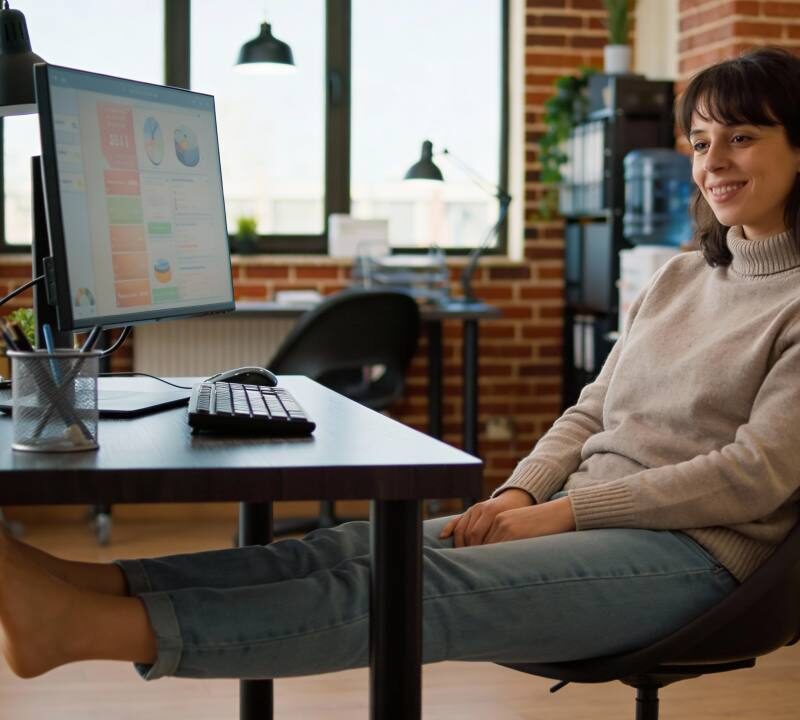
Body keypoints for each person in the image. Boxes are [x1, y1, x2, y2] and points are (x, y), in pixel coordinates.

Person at [2, 45, 800, 683]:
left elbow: (754, 475)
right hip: (589, 512)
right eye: (700, 141)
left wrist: (562, 512)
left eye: (742, 136)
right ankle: (86, 583)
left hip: (698, 556)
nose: (713, 161)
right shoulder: (682, 274)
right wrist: (523, 487)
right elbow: (593, 409)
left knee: (406, 590)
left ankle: (81, 628)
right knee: (342, 548)